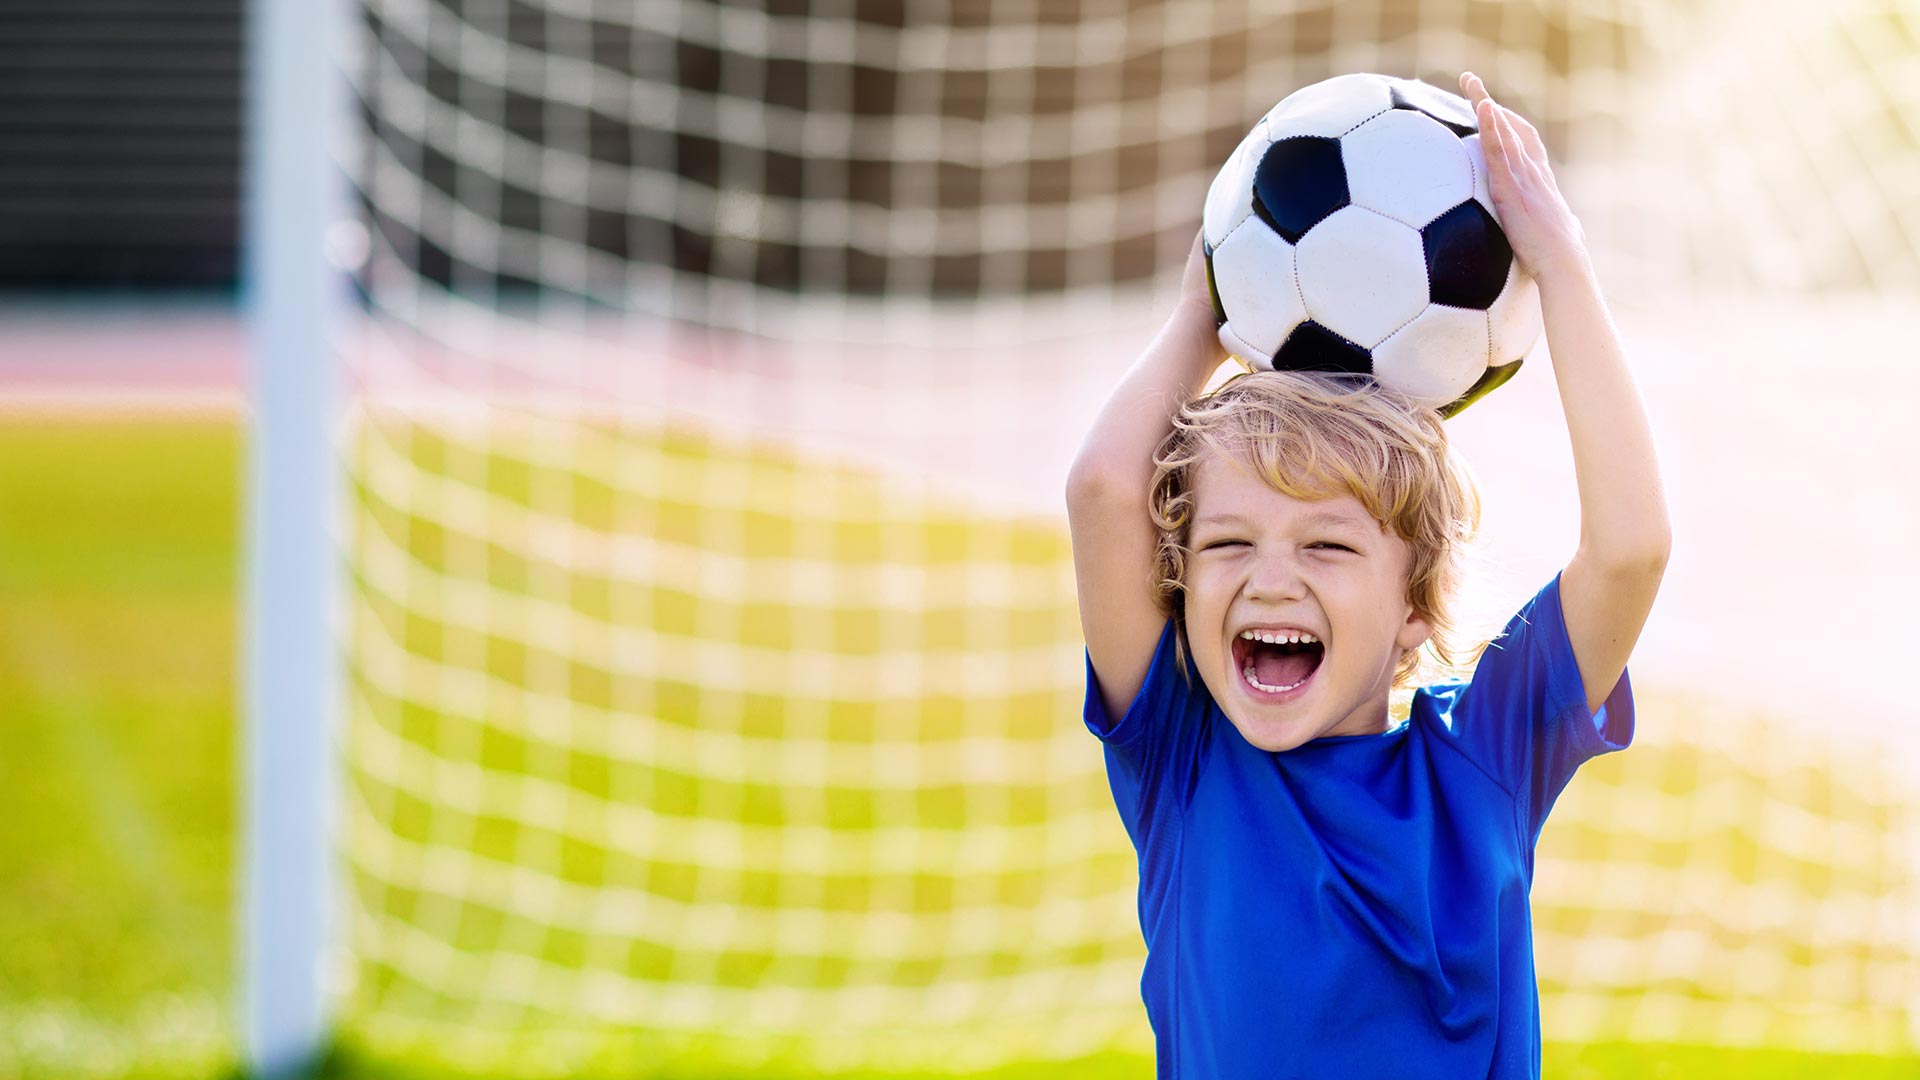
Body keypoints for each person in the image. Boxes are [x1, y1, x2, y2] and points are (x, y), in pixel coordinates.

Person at [1062, 72, 1671, 1077]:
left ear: (1414, 611)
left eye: (1327, 546)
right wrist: (1198, 317)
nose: (1268, 579)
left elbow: (1630, 548)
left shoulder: (1482, 758)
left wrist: (1560, 265)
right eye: (1226, 544)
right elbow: (1102, 493)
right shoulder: (1182, 762)